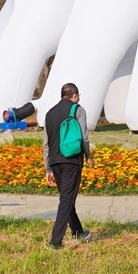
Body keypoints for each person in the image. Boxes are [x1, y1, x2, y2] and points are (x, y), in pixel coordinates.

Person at [43, 82, 94, 249]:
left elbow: (45, 144)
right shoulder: (78, 110)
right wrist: (88, 156)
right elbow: (84, 137)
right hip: (71, 161)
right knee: (66, 199)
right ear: (75, 96)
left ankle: (78, 232)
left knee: (67, 197)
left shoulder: (49, 114)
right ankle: (55, 241)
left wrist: (48, 168)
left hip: (55, 162)